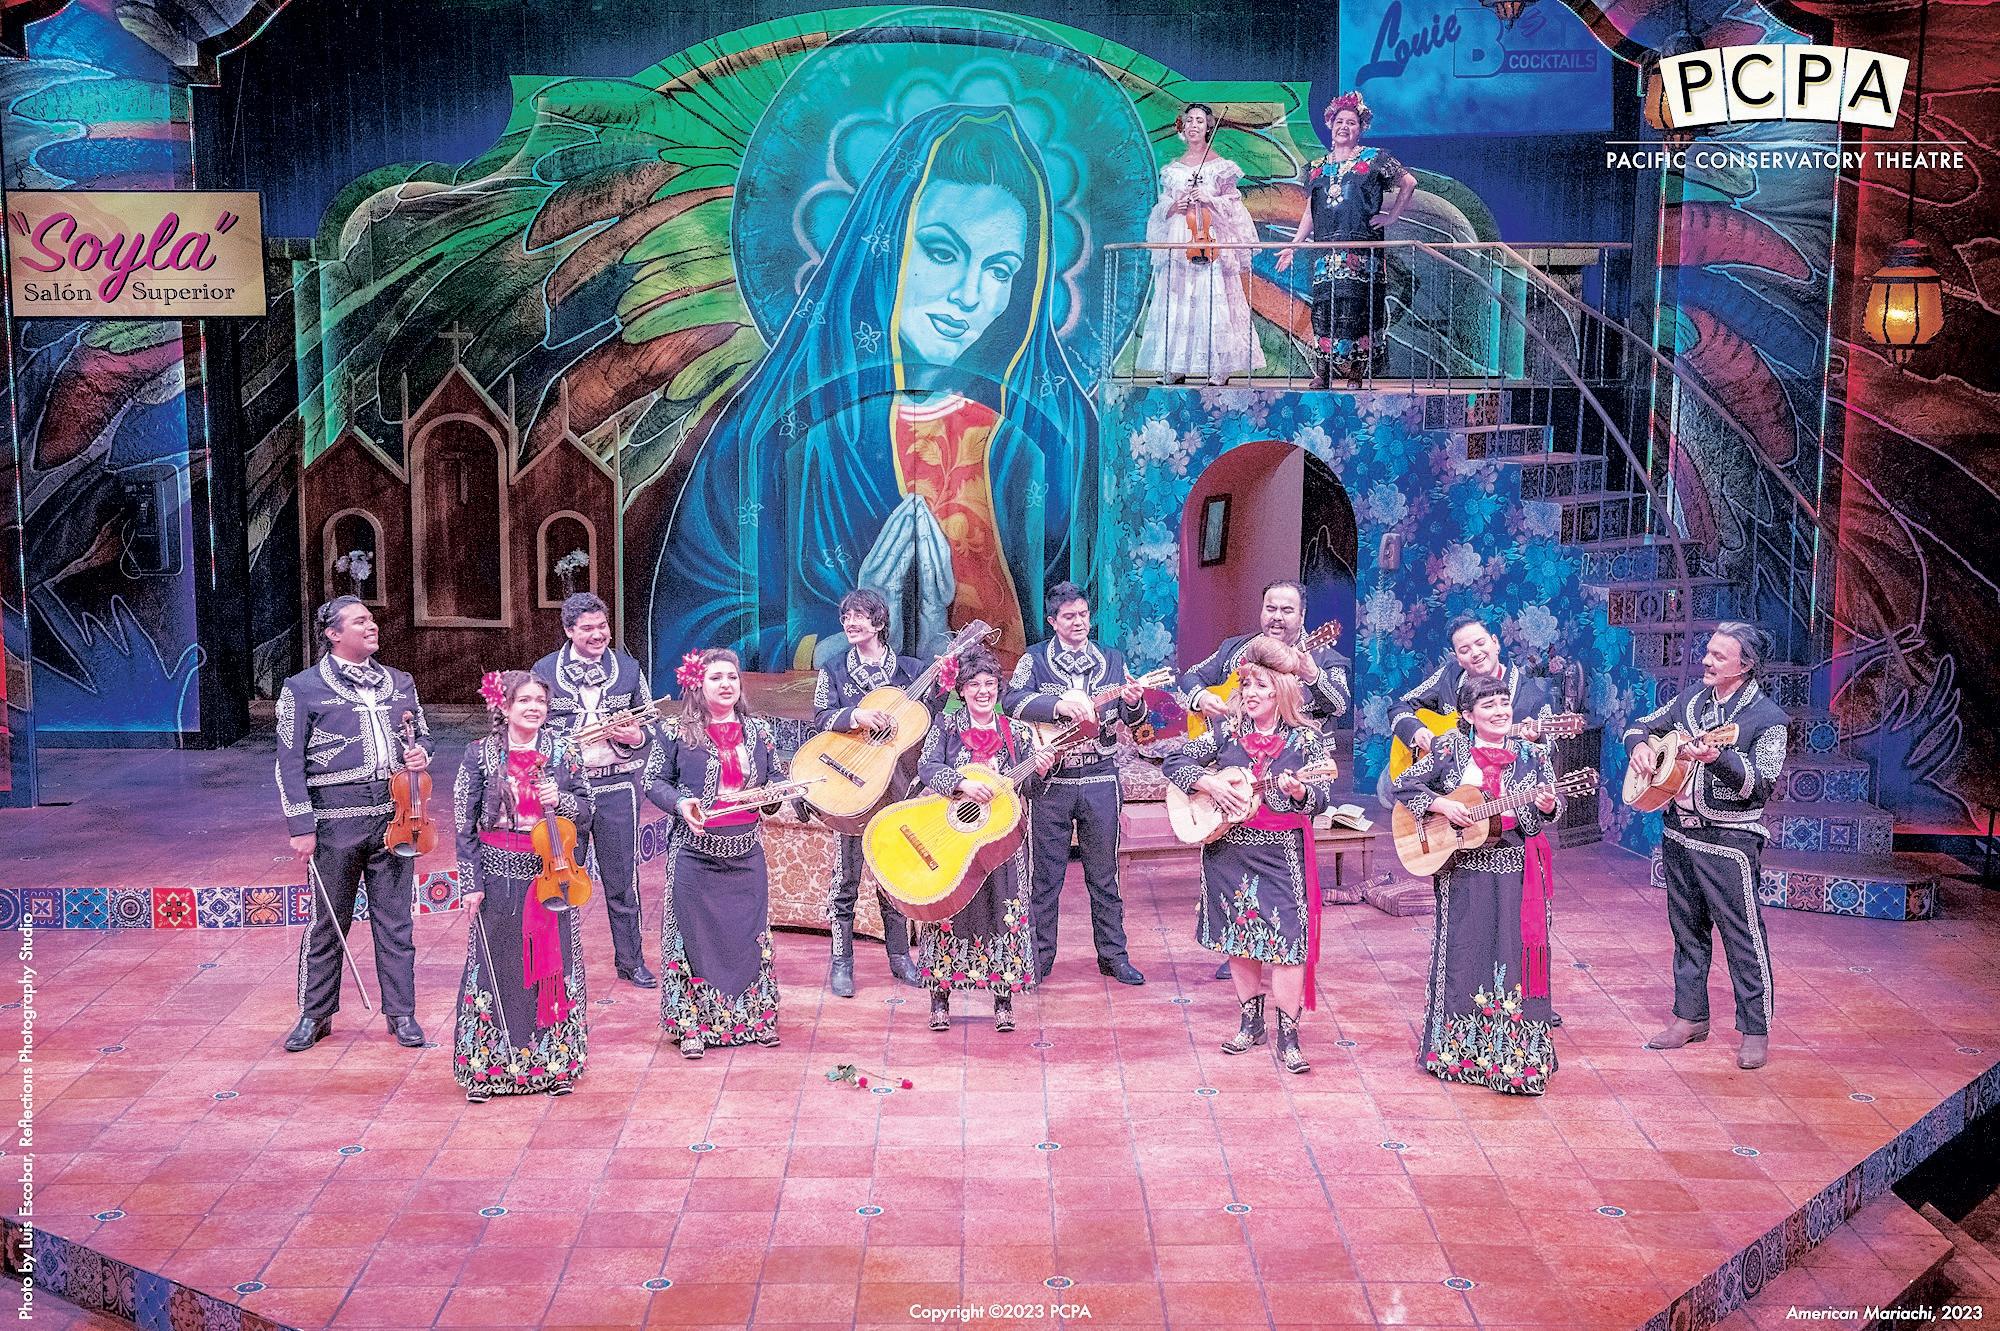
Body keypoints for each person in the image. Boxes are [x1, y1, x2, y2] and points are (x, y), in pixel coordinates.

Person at [649, 104, 1099, 671]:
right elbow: (697, 627)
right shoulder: (775, 430)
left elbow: (1091, 603)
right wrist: (840, 646)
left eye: (1000, 270)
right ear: (880, 244)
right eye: (942, 252)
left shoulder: (1048, 439)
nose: (970, 295)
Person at [1162, 637, 1339, 1074]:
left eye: (1260, 685)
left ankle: (1289, 1036)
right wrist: (1209, 783)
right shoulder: (1226, 731)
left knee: (1288, 945)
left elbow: (1322, 796)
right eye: (1246, 685)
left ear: (1281, 690)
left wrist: (1300, 793)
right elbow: (1174, 762)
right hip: (1228, 850)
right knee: (1240, 938)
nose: (1250, 693)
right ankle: (1250, 1022)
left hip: (1282, 855)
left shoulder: (1306, 739)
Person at [1625, 623, 1789, 1071]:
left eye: (1718, 656)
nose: (1707, 661)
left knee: (1742, 936)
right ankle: (1690, 1016)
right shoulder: (1691, 701)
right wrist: (1639, 747)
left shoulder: (1768, 720)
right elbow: (1641, 726)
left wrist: (1719, 758)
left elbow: (1758, 787)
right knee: (1686, 931)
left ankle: (1755, 1029)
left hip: (1729, 841)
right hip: (1680, 833)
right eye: (1708, 652)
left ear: (1745, 665)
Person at [274, 595, 431, 1053]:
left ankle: (401, 1013)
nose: (371, 626)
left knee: (396, 921)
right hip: (334, 820)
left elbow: (423, 735)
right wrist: (300, 825)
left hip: (396, 817)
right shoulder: (302, 688)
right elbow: (288, 762)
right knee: (328, 922)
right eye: (360, 621)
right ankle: (315, 1013)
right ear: (333, 634)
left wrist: (422, 752)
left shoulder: (400, 682)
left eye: (371, 619)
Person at [1394, 675, 1564, 1095]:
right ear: (1468, 715)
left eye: (1504, 703)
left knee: (1513, 955)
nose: (1500, 711)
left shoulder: (1532, 754)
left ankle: (1517, 1061)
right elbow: (1405, 785)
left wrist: (1545, 806)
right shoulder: (1449, 749)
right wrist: (1443, 804)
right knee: (1463, 953)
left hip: (1515, 870)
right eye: (1489, 705)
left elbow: (1546, 816)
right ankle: (1457, 1056)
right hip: (1462, 870)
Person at [450, 671, 597, 1102]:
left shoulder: (564, 751)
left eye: (540, 702)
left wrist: (561, 801)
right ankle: (487, 1070)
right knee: (498, 966)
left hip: (552, 873)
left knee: (555, 966)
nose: (534, 708)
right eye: (524, 701)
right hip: (498, 876)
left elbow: (587, 809)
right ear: (505, 706)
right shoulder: (479, 754)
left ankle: (555, 1065)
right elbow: (464, 824)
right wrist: (471, 883)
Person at [1004, 582, 1149, 985]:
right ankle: (1038, 958)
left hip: (1101, 776)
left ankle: (1114, 957)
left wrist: (1134, 702)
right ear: (1052, 621)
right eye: (1069, 616)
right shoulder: (1035, 659)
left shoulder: (1112, 659)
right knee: (1045, 878)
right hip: (1053, 779)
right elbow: (1011, 701)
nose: (1079, 622)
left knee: (1104, 876)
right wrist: (1058, 705)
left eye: (1083, 614)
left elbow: (1134, 721)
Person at [915, 646, 1060, 1032]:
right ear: (961, 690)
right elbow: (926, 765)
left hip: (1002, 840)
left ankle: (1003, 997)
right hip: (956, 837)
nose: (983, 691)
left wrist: (1042, 770)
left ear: (999, 687)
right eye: (974, 684)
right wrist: (961, 783)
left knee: (1004, 910)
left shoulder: (1017, 733)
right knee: (949, 910)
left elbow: (1031, 789)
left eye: (990, 683)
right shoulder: (947, 726)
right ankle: (940, 996)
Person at [651, 648, 784, 1058]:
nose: (726, 684)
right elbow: (653, 781)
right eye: (716, 677)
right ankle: (691, 1025)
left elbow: (775, 778)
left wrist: (775, 794)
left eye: (732, 677)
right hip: (695, 855)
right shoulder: (676, 731)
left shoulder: (759, 731)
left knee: (747, 937)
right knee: (694, 939)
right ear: (698, 684)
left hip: (745, 853)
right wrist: (681, 804)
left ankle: (754, 1018)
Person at [533, 592, 659, 989]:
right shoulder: (545, 670)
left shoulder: (628, 668)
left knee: (623, 880)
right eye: (587, 628)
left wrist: (636, 736)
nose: (598, 634)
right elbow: (532, 728)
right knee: (561, 877)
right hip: (566, 790)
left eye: (602, 626)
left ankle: (631, 961)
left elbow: (652, 726)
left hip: (616, 784)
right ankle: (559, 964)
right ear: (569, 631)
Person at [813, 588, 926, 994]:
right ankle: (841, 962)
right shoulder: (833, 669)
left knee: (891, 874)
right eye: (846, 617)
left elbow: (928, 716)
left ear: (879, 622)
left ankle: (900, 957)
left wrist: (946, 678)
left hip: (894, 785)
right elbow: (820, 717)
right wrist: (855, 715)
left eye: (859, 615)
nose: (850, 623)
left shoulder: (910, 671)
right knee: (846, 880)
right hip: (851, 785)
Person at [1275, 91, 1416, 388]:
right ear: (1330, 124)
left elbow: (1409, 182)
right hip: (1326, 249)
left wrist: (1391, 217)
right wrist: (1294, 244)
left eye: (1351, 123)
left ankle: (1355, 373)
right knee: (1324, 310)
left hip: (1361, 248)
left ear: (1360, 128)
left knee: (1358, 309)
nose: (1344, 127)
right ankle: (1323, 372)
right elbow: (1311, 210)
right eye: (1340, 121)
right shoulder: (1316, 167)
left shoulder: (1375, 159)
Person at [1137, 103, 1265, 387]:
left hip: (1209, 238)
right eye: (1189, 120)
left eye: (1199, 121)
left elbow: (1234, 204)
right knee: (1177, 297)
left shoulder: (1221, 167)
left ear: (1208, 127)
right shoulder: (1172, 170)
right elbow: (1162, 205)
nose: (1194, 125)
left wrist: (1210, 199)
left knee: (1212, 296)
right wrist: (1174, 206)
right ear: (1182, 126)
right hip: (1179, 237)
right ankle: (1175, 365)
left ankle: (1220, 366)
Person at [1179, 580, 1351, 729]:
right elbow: (1191, 676)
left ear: (1302, 615)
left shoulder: (1326, 659)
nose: (1277, 616)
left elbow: (1340, 707)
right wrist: (1202, 698)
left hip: (1296, 749)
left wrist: (1313, 676)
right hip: (1229, 746)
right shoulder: (1234, 647)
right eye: (1270, 608)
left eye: (1287, 610)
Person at [1390, 613, 1551, 762]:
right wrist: (1416, 732)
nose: (1475, 653)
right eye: (1464, 650)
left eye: (1480, 643)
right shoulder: (1450, 675)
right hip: (1436, 773)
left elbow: (1549, 751)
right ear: (1458, 659)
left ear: (1495, 643)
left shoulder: (1533, 696)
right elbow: (1399, 706)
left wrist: (1534, 741)